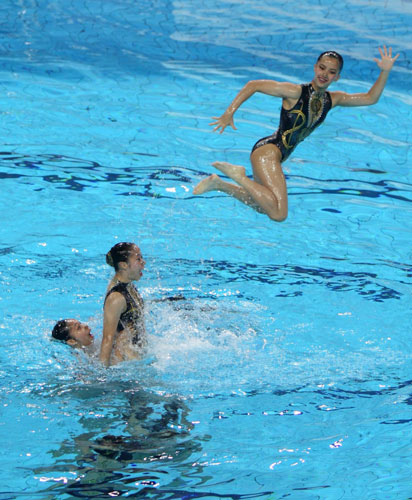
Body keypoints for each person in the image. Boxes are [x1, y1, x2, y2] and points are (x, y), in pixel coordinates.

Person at [193, 46, 400, 222]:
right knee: (279, 214)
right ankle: (238, 175)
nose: (324, 74)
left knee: (262, 205)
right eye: (321, 67)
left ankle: (218, 184)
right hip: (268, 152)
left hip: (276, 155)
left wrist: (385, 71)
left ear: (337, 77)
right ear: (314, 66)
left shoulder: (332, 100)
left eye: (330, 72)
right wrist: (229, 113)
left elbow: (370, 98)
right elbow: (253, 85)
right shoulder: (295, 92)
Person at [100, 242, 147, 367]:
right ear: (123, 265)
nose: (143, 262)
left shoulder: (129, 286)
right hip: (127, 363)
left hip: (137, 356)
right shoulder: (116, 298)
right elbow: (107, 339)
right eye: (138, 259)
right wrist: (102, 375)